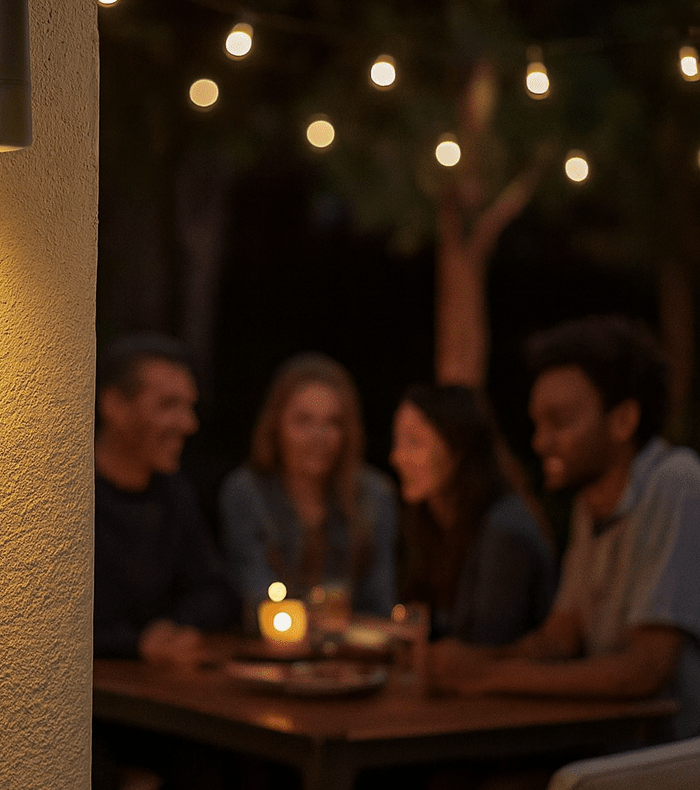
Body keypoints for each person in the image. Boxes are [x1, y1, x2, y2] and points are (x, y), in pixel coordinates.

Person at [431, 316, 700, 742]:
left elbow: (644, 671)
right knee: (449, 780)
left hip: (666, 759)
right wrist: (480, 660)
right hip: (604, 736)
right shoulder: (590, 500)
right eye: (538, 424)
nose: (540, 442)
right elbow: (565, 632)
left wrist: (487, 678)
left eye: (559, 422)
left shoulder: (676, 483)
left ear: (623, 420)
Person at [92, 333, 237, 790]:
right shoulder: (68, 492)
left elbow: (215, 589)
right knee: (88, 776)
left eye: (190, 407)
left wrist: (172, 629)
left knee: (220, 766)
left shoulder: (174, 494)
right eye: (168, 405)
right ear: (114, 405)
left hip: (153, 703)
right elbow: (49, 624)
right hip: (82, 708)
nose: (188, 424)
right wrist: (136, 644)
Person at [219, 353, 397, 628]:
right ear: (277, 425)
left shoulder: (375, 495)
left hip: (353, 655)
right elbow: (256, 598)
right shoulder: (245, 492)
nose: (319, 437)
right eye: (303, 421)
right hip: (272, 653)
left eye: (333, 422)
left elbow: (379, 604)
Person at [391, 385, 556, 646]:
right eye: (397, 441)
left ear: (459, 449)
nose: (397, 457)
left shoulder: (504, 528)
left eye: (414, 442)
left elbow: (487, 646)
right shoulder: (436, 522)